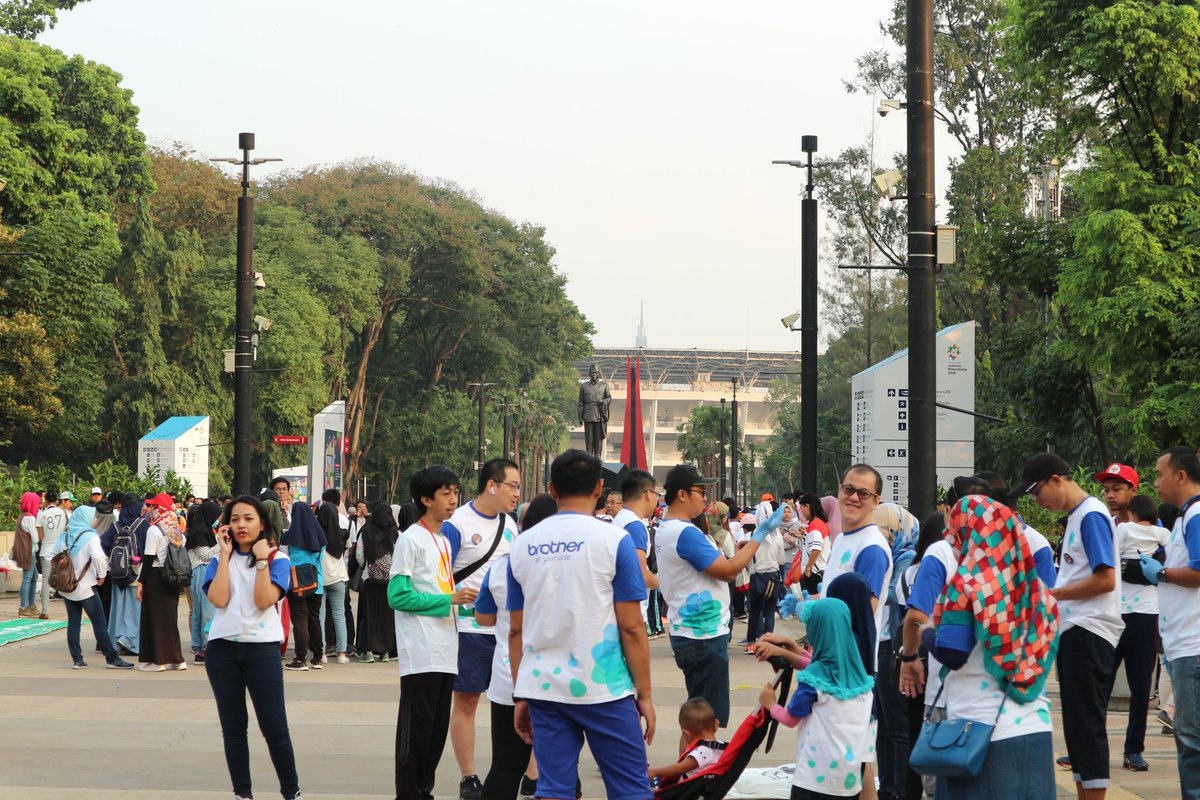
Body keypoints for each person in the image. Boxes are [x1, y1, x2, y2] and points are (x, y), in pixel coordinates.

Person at [508, 449, 654, 800]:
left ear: (551, 488)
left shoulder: (522, 544)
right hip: (604, 687)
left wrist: (521, 692)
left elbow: (516, 630)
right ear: (600, 488)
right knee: (630, 788)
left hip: (545, 687)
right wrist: (645, 695)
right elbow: (632, 627)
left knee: (554, 789)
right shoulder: (614, 540)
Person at [917, 495, 1059, 799]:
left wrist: (927, 633)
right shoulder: (1036, 590)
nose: (949, 537)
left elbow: (953, 654)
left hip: (978, 734)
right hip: (1035, 729)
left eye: (953, 529)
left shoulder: (966, 583)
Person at [1014, 452, 1122, 799]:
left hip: (1090, 632)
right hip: (1075, 632)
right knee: (1076, 729)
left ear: (1057, 479)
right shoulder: (1077, 517)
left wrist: (1052, 592)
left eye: (1037, 492)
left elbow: (1106, 580)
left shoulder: (1091, 515)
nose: (1037, 501)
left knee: (1087, 727)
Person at [655, 463, 779, 735]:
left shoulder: (672, 528)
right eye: (700, 491)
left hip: (695, 631)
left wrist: (740, 551)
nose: (705, 497)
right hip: (702, 636)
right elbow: (728, 571)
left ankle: (691, 774)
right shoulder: (684, 532)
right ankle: (697, 775)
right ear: (682, 494)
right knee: (705, 722)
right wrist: (759, 536)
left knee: (697, 719)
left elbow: (721, 565)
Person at [204, 494, 301, 800]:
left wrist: (260, 560)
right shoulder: (218, 559)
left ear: (262, 523)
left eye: (248, 518)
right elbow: (219, 599)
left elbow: (263, 601)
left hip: (262, 650)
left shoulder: (278, 560)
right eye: (234, 519)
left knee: (274, 727)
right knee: (233, 729)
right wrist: (223, 555)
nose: (241, 525)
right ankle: (242, 794)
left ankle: (291, 792)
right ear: (226, 525)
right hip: (222, 651)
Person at [388, 465, 476, 800]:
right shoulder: (411, 539)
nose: (453, 500)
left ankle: (424, 792)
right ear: (426, 499)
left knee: (436, 734)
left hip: (444, 650)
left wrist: (460, 603)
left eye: (455, 492)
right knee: (416, 734)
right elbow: (397, 595)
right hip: (421, 651)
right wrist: (448, 599)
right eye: (445, 493)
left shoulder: (440, 539)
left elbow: (438, 591)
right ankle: (410, 794)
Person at [442, 458, 520, 800]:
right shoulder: (457, 523)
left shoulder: (511, 524)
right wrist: (454, 597)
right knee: (468, 701)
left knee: (514, 702)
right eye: (513, 486)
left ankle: (522, 771)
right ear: (492, 485)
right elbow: (440, 576)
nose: (517, 493)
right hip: (468, 629)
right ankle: (468, 777)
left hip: (504, 631)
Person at [473, 494, 556, 800]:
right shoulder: (567, 566)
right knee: (561, 767)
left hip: (509, 677)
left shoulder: (501, 567)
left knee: (506, 766)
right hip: (560, 679)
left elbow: (483, 617)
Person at [760, 597, 875, 799]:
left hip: (813, 782)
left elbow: (790, 719)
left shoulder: (814, 680)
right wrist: (787, 645)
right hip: (849, 783)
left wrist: (770, 703)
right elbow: (820, 663)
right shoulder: (864, 683)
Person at [1143, 445, 1200, 797]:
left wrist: (1161, 573)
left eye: (1159, 474)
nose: (1156, 482)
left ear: (1181, 475)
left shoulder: (1195, 516)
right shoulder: (1186, 516)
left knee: (1192, 737)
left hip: (1193, 643)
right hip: (1184, 642)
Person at [1104, 493, 1168, 771]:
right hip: (1147, 615)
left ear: (1131, 512)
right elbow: (1170, 561)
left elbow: (1107, 559)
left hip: (1117, 614)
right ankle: (1133, 752)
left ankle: (1086, 748)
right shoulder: (1163, 533)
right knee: (1141, 687)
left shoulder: (1121, 529)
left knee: (1100, 684)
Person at [822, 465, 894, 671]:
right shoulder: (842, 539)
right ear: (839, 490)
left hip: (852, 664)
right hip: (831, 654)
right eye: (848, 490)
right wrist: (807, 601)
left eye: (863, 493)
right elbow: (836, 595)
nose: (853, 497)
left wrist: (814, 611)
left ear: (875, 500)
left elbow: (864, 611)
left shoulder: (871, 548)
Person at [49, 504, 134, 670]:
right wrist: (102, 574)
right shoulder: (91, 536)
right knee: (100, 623)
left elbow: (49, 556)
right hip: (86, 586)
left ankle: (77, 659)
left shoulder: (65, 536)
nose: (95, 520)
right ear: (85, 519)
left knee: (73, 623)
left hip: (67, 587)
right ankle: (112, 658)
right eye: (93, 517)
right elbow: (98, 557)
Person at [137, 492, 187, 672]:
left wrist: (141, 582)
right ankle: (177, 659)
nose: (150, 510)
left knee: (155, 618)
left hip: (156, 576)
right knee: (170, 619)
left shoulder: (154, 530)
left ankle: (158, 661)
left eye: (153, 507)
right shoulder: (177, 529)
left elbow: (149, 558)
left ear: (159, 509)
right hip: (173, 577)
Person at [281, 500, 327, 671]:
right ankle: (317, 656)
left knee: (300, 619)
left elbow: (284, 558)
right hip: (317, 583)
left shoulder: (289, 537)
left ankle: (301, 658)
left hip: (296, 584)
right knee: (314, 619)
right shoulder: (320, 536)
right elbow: (320, 559)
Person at [357, 501, 403, 662]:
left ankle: (368, 651)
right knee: (387, 616)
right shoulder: (395, 532)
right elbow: (400, 555)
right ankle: (385, 652)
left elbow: (359, 554)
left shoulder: (366, 531)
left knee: (369, 615)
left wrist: (368, 567)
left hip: (370, 579)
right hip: (390, 581)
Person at [648, 698, 725, 783]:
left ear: (686, 734)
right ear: (716, 724)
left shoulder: (702, 752)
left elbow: (681, 767)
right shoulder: (724, 748)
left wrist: (654, 772)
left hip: (689, 790)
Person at [745, 500, 787, 654]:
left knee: (754, 611)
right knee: (769, 611)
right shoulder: (777, 536)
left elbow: (747, 558)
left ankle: (751, 643)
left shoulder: (752, 535)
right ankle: (769, 642)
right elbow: (782, 560)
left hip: (756, 577)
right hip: (773, 577)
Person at [107, 494, 144, 654]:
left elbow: (103, 543)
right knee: (134, 610)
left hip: (117, 573)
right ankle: (130, 641)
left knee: (118, 609)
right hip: (136, 574)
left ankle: (115, 641)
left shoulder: (115, 526)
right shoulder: (142, 525)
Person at [185, 499, 221, 664]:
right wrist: (222, 542)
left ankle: (199, 648)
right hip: (202, 571)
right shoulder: (200, 532)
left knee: (200, 612)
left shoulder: (201, 529)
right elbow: (206, 555)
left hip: (200, 573)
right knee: (207, 613)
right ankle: (206, 648)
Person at [317, 489, 350, 664]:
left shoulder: (316, 534)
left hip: (320, 579)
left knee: (320, 616)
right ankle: (342, 654)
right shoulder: (342, 533)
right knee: (339, 615)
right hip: (338, 578)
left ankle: (321, 653)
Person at [36, 492, 71, 618]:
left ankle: (45, 611)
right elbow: (66, 529)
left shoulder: (42, 515)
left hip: (46, 551)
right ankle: (70, 609)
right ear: (56, 501)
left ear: (45, 501)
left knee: (46, 580)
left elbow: (41, 537)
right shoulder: (62, 513)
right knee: (63, 579)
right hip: (59, 550)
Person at [788, 493, 829, 596]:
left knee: (813, 602)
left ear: (807, 506)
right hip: (820, 569)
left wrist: (808, 568)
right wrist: (802, 537)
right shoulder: (819, 523)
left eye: (801, 508)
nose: (801, 512)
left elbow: (816, 549)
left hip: (815, 572)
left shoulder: (815, 525)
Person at [14, 491, 40, 617]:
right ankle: (24, 607)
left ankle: (31, 605)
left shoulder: (22, 516)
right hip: (29, 551)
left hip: (27, 551)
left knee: (34, 577)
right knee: (27, 578)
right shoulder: (29, 517)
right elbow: (35, 538)